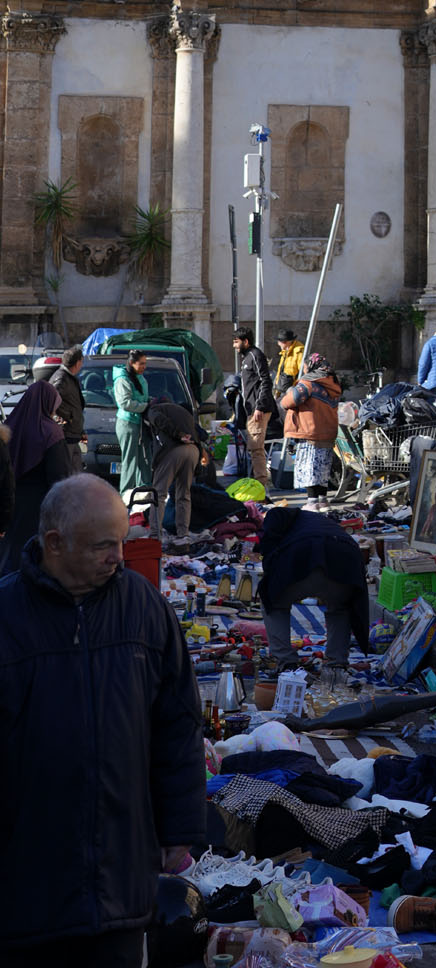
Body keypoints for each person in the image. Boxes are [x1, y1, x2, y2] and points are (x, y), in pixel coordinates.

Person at [0, 474, 205, 965]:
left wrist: (180, 830)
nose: (118, 555)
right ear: (54, 543)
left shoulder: (143, 607)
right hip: (27, 881)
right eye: (103, 546)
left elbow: (178, 724)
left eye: (121, 541)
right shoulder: (7, 615)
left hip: (121, 878)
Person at [258, 504, 370, 669]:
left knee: (273, 601)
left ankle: (285, 660)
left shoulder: (277, 518)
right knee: (340, 608)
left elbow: (269, 546)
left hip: (304, 555)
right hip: (346, 560)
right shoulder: (314, 521)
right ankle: (336, 662)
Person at [0, 380, 73, 575]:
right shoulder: (51, 432)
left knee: (10, 556)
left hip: (11, 505)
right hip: (40, 507)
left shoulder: (10, 425)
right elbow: (60, 477)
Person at [280, 353, 342, 509]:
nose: (304, 368)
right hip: (327, 434)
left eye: (305, 365)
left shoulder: (308, 384)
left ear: (311, 365)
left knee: (310, 468)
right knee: (322, 469)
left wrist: (287, 389)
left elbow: (288, 402)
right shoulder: (333, 384)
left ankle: (312, 503)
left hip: (309, 433)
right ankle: (323, 501)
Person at [148, 396, 201, 545]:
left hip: (174, 450)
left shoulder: (154, 409)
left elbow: (159, 420)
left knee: (158, 494)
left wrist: (178, 435)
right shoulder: (183, 411)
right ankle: (183, 534)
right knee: (184, 494)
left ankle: (154, 535)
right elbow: (199, 433)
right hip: (193, 451)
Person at [233, 326, 276, 486]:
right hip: (251, 410)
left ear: (246, 341)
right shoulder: (247, 358)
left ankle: (261, 487)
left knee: (256, 448)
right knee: (253, 448)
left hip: (258, 411)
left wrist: (259, 406)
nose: (234, 346)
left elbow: (266, 381)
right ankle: (257, 484)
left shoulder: (255, 355)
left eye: (236, 342)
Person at [113, 349, 151, 499]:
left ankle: (145, 491)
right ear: (131, 363)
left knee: (144, 459)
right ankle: (126, 495)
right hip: (128, 424)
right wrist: (145, 406)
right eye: (141, 364)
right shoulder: (122, 380)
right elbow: (125, 403)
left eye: (145, 363)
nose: (144, 366)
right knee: (130, 460)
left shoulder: (138, 376)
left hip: (140, 423)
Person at [51, 343, 86, 471]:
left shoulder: (68, 377)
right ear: (77, 363)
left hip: (73, 433)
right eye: (81, 362)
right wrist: (66, 417)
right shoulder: (62, 378)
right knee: (67, 473)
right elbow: (51, 400)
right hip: (66, 433)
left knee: (76, 474)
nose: (81, 365)